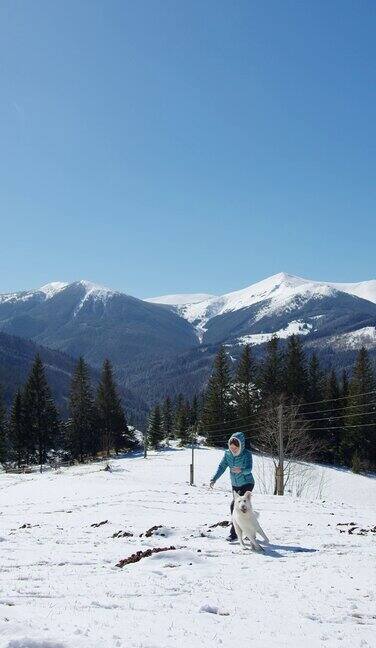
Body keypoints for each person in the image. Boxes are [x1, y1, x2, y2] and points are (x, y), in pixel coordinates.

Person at [210, 431, 254, 542]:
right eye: (231, 447)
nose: (233, 449)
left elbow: (249, 469)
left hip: (247, 483)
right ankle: (245, 532)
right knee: (240, 508)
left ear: (240, 445)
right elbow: (221, 467)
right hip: (235, 485)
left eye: (235, 448)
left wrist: (241, 470)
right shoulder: (227, 454)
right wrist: (214, 478)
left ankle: (236, 533)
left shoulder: (247, 454)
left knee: (235, 506)